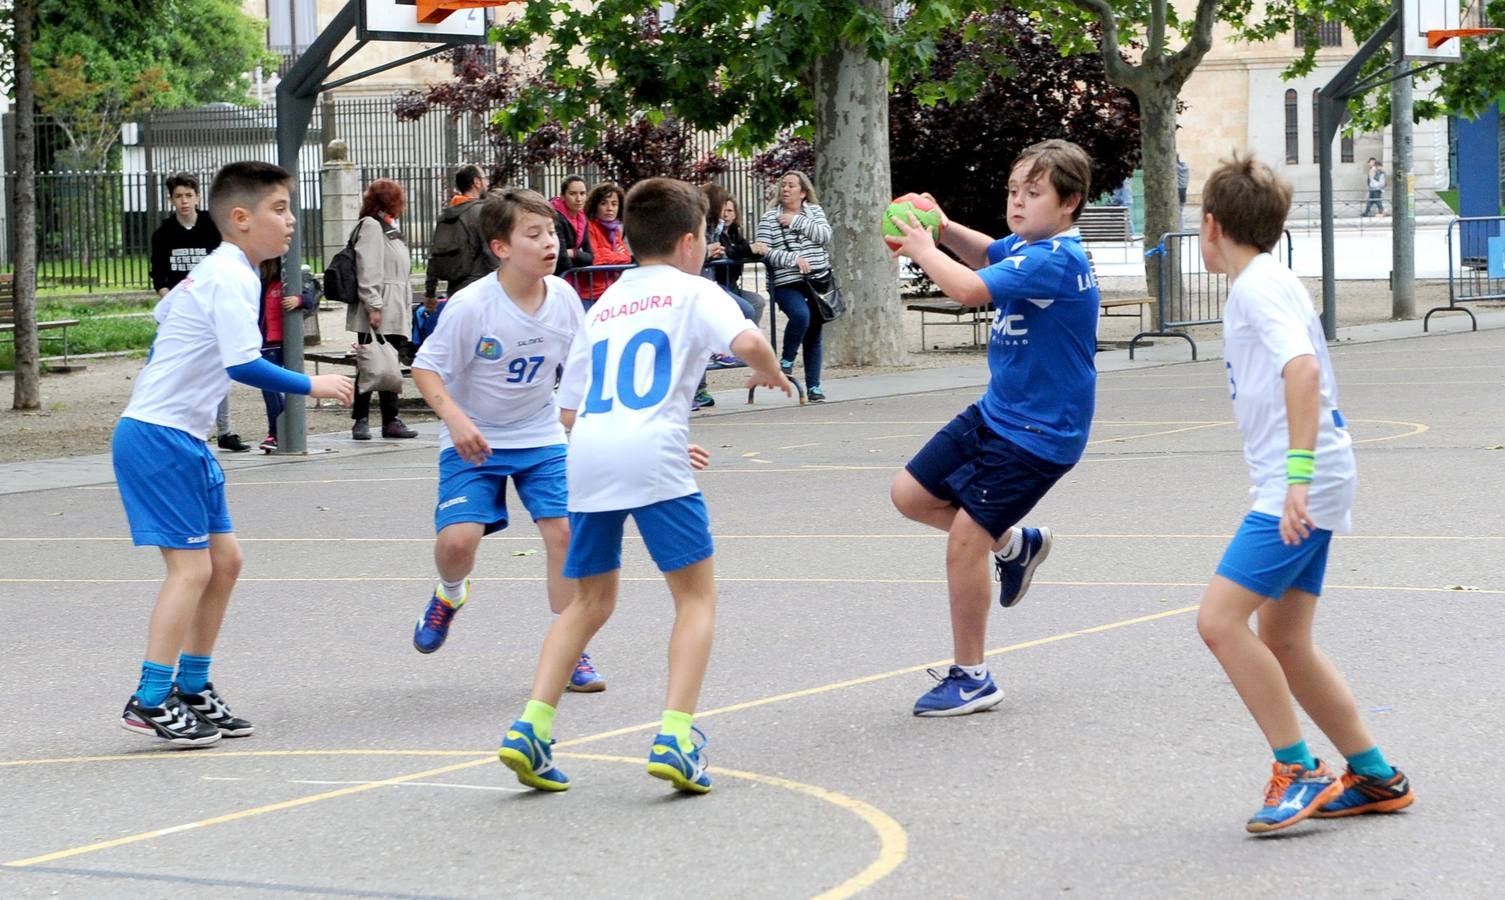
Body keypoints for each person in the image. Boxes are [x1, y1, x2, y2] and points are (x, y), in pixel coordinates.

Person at [496, 178, 792, 794]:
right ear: (690, 242)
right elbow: (750, 341)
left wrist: (640, 434)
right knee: (695, 598)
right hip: (650, 454)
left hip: (590, 454)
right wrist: (769, 372)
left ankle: (532, 725)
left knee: (588, 602)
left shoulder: (603, 305)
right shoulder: (694, 291)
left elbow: (570, 411)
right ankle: (676, 737)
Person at [1192, 152, 1413, 834]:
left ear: (1209, 226)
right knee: (1283, 639)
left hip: (1304, 478)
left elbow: (1301, 369)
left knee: (1218, 621)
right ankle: (1375, 776)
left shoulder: (1257, 288)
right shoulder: (1265, 279)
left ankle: (1298, 768)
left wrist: (1293, 478)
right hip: (1313, 473)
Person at [112, 161, 354, 746]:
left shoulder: (226, 272)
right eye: (280, 209)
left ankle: (192, 686)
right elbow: (241, 364)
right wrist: (314, 384)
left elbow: (163, 330)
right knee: (191, 568)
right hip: (159, 436)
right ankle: (149, 697)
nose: (292, 219)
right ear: (240, 219)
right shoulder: (229, 275)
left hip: (180, 436)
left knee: (226, 562)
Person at [886, 139, 1100, 717]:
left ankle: (972, 676)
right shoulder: (1032, 246)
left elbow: (968, 288)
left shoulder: (1057, 258)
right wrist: (947, 224)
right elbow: (988, 256)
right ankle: (1016, 545)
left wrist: (921, 246)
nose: (1017, 202)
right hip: (998, 411)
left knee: (964, 541)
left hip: (1040, 433)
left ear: (1070, 202)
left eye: (1033, 193)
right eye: (1013, 192)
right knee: (909, 494)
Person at [407, 187, 608, 691]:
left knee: (563, 534)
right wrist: (456, 420)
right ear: (501, 247)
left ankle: (571, 649)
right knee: (457, 542)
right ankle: (449, 594)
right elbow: (426, 369)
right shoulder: (472, 306)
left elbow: (582, 365)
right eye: (533, 235)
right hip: (475, 437)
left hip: (540, 436)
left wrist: (575, 416)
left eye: (552, 234)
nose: (550, 244)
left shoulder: (563, 298)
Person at [150, 172, 248, 453]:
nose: (184, 201)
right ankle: (184, 429)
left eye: (188, 195)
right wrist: (174, 302)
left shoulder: (212, 228)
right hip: (181, 312)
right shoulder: (164, 234)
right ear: (171, 200)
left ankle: (225, 430)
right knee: (182, 371)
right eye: (178, 196)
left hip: (212, 308)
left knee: (218, 368)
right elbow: (159, 276)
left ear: (197, 197)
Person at [347, 178, 418, 441]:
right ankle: (361, 419)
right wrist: (373, 304)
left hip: (393, 303)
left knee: (388, 363)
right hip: (381, 304)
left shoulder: (388, 226)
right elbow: (368, 266)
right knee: (370, 362)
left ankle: (390, 419)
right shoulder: (371, 226)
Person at [755, 170, 832, 402]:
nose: (785, 189)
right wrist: (792, 260)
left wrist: (796, 221)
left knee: (814, 333)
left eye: (791, 186)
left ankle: (814, 387)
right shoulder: (770, 217)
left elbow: (825, 235)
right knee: (801, 316)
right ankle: (787, 361)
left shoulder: (814, 212)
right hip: (787, 282)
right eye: (783, 185)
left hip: (817, 281)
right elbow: (763, 250)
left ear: (803, 191)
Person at [253, 257, 316, 453]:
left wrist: (298, 300)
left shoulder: (289, 278)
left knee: (280, 385)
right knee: (269, 386)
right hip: (266, 342)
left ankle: (279, 431)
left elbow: (310, 298)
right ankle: (277, 429)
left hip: (284, 342)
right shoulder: (259, 281)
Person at [422, 164, 492, 307]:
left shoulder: (445, 216)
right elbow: (491, 252)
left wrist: (430, 293)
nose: (488, 183)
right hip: (481, 292)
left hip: (455, 293)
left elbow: (434, 256)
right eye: (485, 178)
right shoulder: (483, 212)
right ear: (477, 182)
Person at [573, 181, 633, 307]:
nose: (610, 208)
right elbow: (595, 257)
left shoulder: (614, 230)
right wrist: (617, 256)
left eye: (614, 204)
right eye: (603, 203)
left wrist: (613, 256)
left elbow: (627, 257)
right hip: (588, 294)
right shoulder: (589, 226)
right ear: (595, 206)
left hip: (609, 292)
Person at [550, 175, 594, 277]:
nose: (578, 199)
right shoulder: (555, 217)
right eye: (572, 194)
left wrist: (574, 253)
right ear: (563, 196)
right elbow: (561, 257)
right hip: (556, 276)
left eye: (582, 193)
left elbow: (591, 257)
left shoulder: (583, 218)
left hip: (569, 275)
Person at [1176, 154, 1192, 231]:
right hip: (1184, 191)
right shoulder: (1185, 167)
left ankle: (1181, 231)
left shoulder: (1175, 168)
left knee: (1179, 214)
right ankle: (1181, 230)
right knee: (1180, 213)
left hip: (1178, 190)